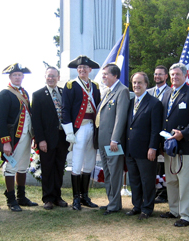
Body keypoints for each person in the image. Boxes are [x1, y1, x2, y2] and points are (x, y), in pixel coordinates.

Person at [160, 63, 189, 227]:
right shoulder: (167, 93)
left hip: (186, 146)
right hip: (169, 146)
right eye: (172, 75)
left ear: (185, 76)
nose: (174, 77)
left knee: (185, 182)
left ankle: (187, 215)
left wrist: (183, 134)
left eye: (177, 74)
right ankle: (174, 210)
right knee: (171, 180)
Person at [0, 63, 38, 212]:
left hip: (26, 135)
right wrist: (6, 142)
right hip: (13, 138)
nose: (18, 77)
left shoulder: (25, 93)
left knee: (23, 166)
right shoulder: (4, 94)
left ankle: (21, 197)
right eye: (15, 75)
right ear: (10, 77)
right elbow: (0, 120)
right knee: (11, 166)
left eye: (20, 75)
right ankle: (11, 199)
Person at [62, 55, 101, 210]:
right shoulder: (71, 85)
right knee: (77, 163)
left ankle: (85, 196)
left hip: (93, 126)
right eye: (79, 68)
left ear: (90, 70)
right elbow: (65, 109)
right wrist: (69, 131)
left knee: (90, 161)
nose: (82, 70)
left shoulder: (96, 86)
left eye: (85, 68)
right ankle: (76, 198)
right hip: (79, 128)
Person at [125, 72, 163, 219]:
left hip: (146, 150)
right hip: (130, 150)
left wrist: (153, 147)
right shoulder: (130, 102)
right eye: (134, 82)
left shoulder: (154, 103)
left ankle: (147, 208)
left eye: (139, 82)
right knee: (134, 180)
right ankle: (137, 206)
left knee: (147, 181)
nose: (136, 85)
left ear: (146, 84)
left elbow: (156, 129)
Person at [32, 67, 69, 210]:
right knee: (47, 168)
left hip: (62, 137)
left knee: (59, 168)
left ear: (58, 77)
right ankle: (47, 198)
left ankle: (57, 196)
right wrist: (40, 139)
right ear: (45, 77)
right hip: (46, 139)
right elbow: (36, 120)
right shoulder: (38, 95)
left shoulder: (63, 93)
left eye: (54, 76)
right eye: (49, 76)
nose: (51, 78)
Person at [96, 63, 130, 215]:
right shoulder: (109, 92)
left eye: (105, 74)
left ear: (115, 75)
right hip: (103, 141)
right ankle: (112, 201)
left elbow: (120, 117)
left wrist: (115, 139)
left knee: (115, 173)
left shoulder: (122, 91)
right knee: (108, 173)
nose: (103, 77)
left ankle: (115, 204)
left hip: (113, 142)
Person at [147, 65, 171, 204]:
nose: (157, 76)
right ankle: (154, 190)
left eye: (160, 74)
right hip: (150, 133)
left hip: (164, 133)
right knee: (153, 164)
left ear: (166, 76)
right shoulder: (149, 92)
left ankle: (164, 193)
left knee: (163, 165)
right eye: (156, 74)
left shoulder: (171, 91)